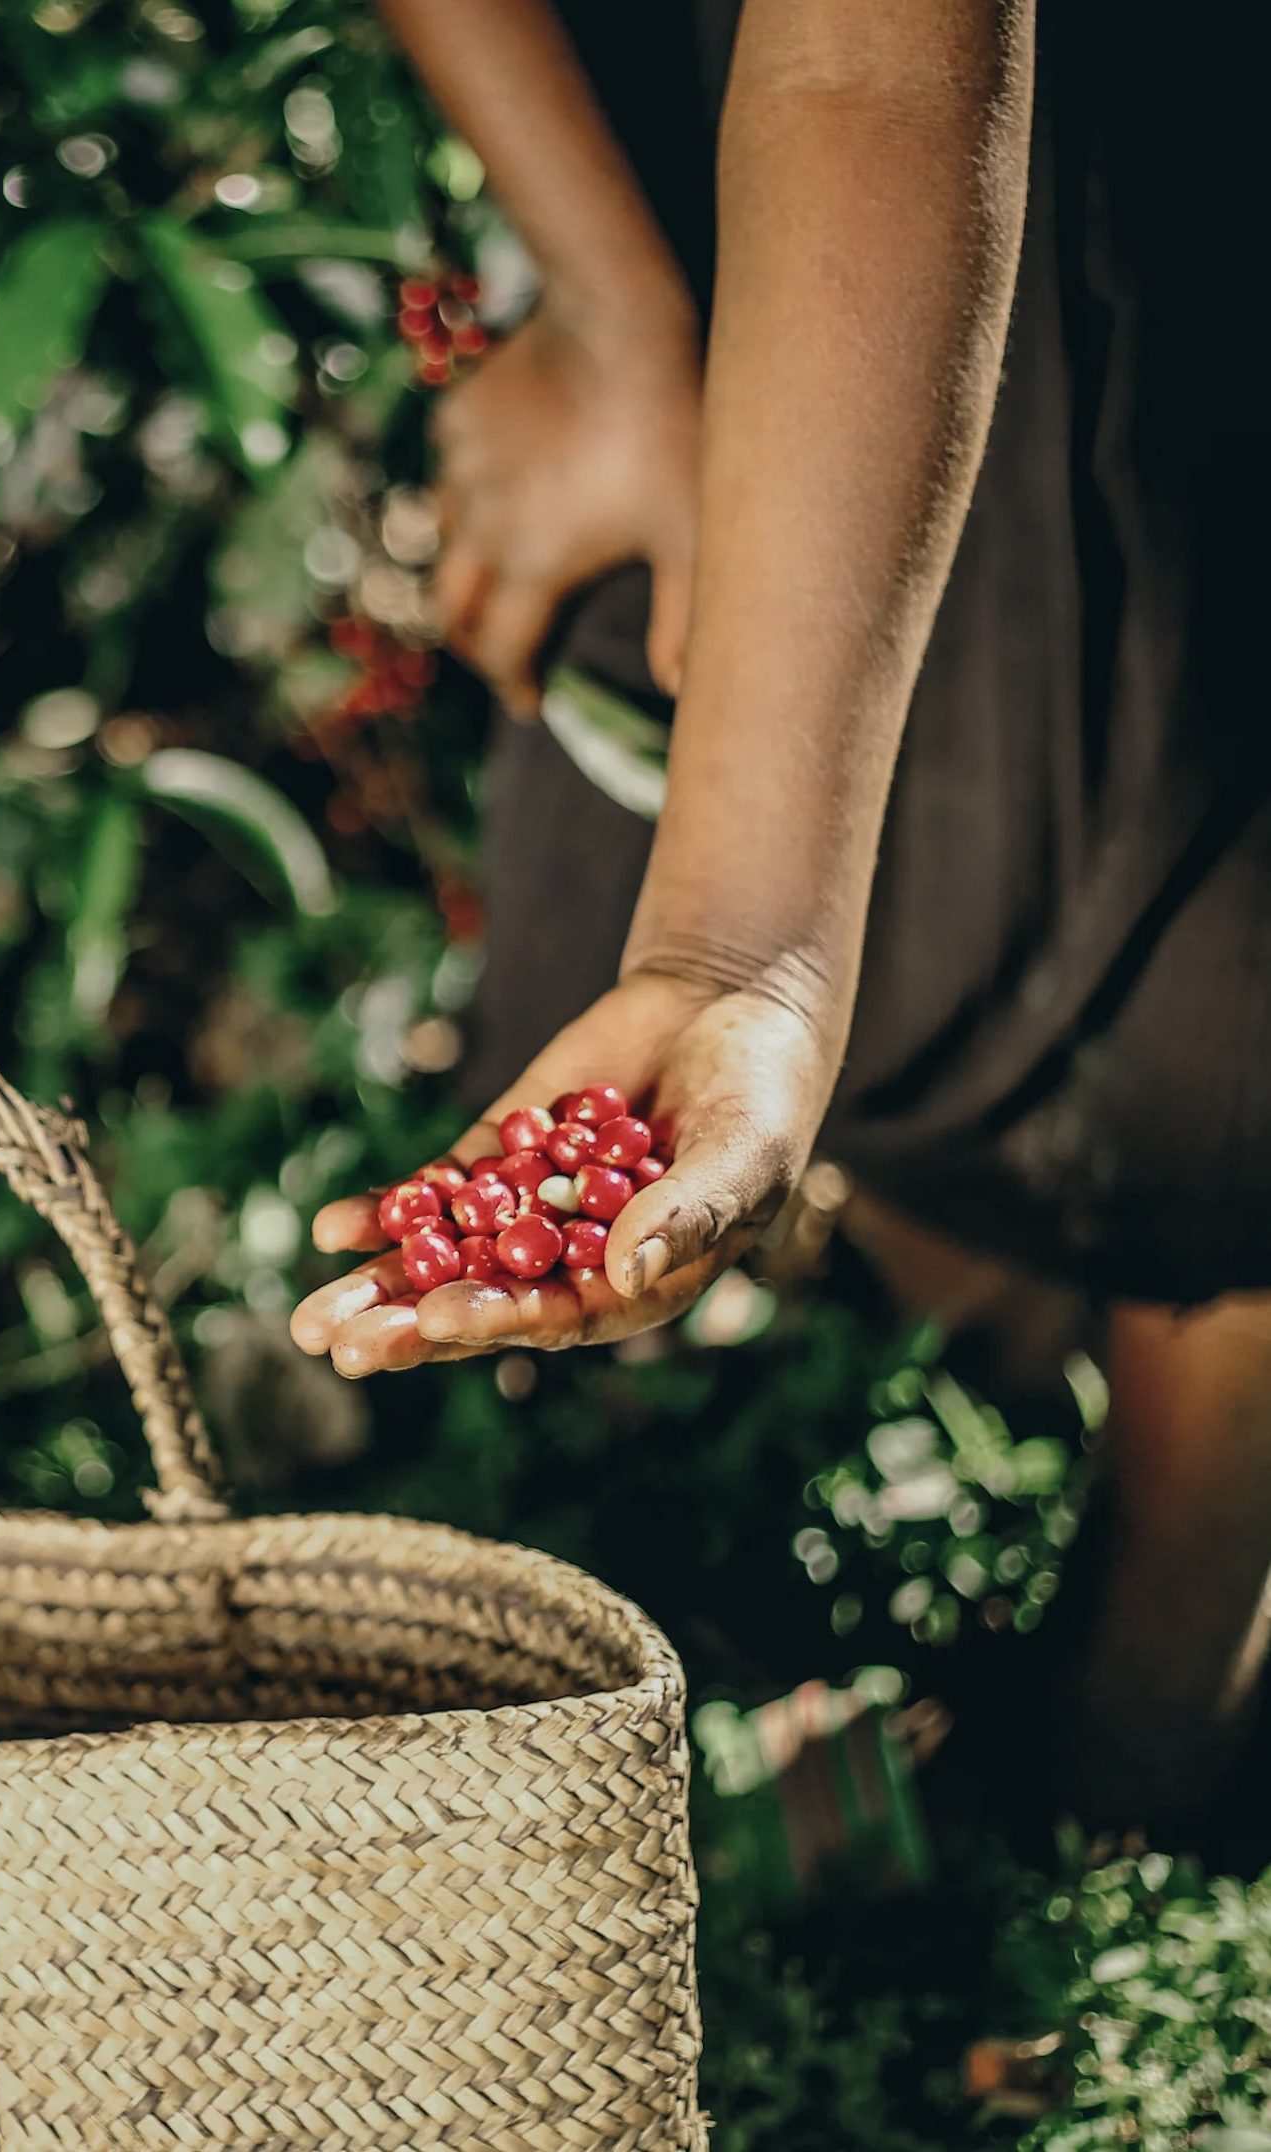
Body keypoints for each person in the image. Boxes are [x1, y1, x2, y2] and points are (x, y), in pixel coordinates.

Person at [290, 0, 1271, 1829]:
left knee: (1206, 943)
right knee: (854, 830)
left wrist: (741, 950)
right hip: (697, 151)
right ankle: (1016, 1329)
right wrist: (615, 315)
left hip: (1086, 132)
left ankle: (1155, 1678)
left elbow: (875, 61)